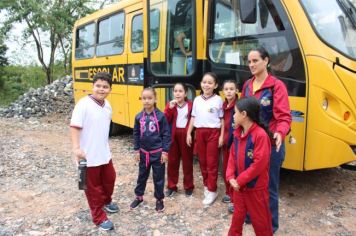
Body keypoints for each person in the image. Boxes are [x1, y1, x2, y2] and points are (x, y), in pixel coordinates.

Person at [241, 47, 292, 233]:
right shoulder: (247, 85)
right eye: (249, 61)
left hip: (270, 145)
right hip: (250, 143)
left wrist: (280, 133)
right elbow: (242, 112)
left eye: (255, 61)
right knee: (248, 181)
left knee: (269, 188)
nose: (251, 65)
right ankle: (250, 215)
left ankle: (271, 226)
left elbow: (284, 117)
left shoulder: (276, 86)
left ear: (266, 61)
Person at [70, 72, 118, 231]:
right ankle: (98, 217)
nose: (101, 89)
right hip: (88, 156)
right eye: (98, 86)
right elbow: (75, 126)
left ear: (110, 89)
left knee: (110, 179)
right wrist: (77, 148)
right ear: (92, 86)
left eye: (105, 87)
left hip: (104, 154)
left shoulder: (108, 105)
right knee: (92, 188)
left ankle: (106, 201)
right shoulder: (83, 104)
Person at [227, 96, 273, 236]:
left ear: (244, 114)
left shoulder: (260, 135)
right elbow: (232, 157)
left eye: (235, 112)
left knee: (261, 224)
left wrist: (239, 180)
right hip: (239, 189)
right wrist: (230, 177)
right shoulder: (238, 133)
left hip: (255, 189)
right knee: (236, 221)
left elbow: (259, 164)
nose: (233, 115)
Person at [130, 87, 171, 212]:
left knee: (158, 177)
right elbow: (136, 134)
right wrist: (137, 150)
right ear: (141, 99)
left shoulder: (161, 117)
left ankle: (159, 199)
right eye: (144, 98)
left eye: (149, 98)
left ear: (155, 99)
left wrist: (165, 151)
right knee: (142, 175)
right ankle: (139, 196)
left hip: (157, 153)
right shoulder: (138, 117)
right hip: (143, 153)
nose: (147, 101)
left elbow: (166, 135)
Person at [186, 72, 224, 206]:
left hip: (213, 133)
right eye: (204, 82)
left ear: (215, 85)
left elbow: (222, 120)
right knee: (202, 161)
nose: (206, 85)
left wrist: (221, 136)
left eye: (210, 83)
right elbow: (193, 117)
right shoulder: (197, 99)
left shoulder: (218, 100)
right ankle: (207, 186)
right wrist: (189, 133)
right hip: (200, 133)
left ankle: (213, 190)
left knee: (212, 162)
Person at [164, 83, 194, 197]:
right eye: (175, 91)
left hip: (186, 134)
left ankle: (188, 186)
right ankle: (172, 186)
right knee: (172, 161)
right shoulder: (171, 105)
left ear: (185, 93)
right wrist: (169, 108)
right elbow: (165, 120)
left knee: (187, 161)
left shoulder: (190, 105)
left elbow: (194, 120)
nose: (177, 93)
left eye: (180, 91)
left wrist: (189, 133)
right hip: (173, 135)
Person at [221, 80, 239, 213]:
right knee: (226, 167)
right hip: (225, 142)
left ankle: (234, 199)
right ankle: (228, 192)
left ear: (236, 90)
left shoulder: (239, 106)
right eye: (226, 89)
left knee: (235, 171)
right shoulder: (223, 105)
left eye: (231, 89)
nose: (229, 91)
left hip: (235, 143)